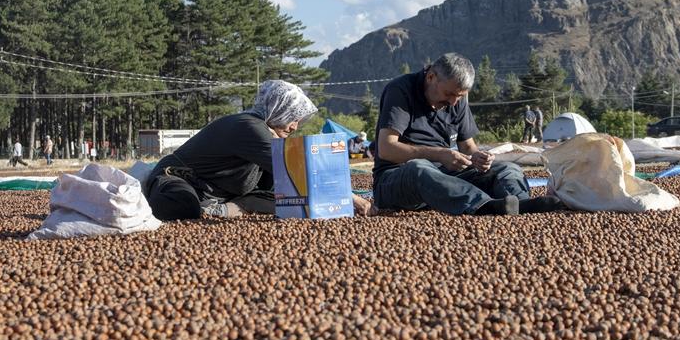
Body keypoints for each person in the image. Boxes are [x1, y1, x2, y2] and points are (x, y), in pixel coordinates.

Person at [144, 80, 373, 221]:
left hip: (219, 193)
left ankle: (224, 209)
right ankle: (215, 209)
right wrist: (352, 199)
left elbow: (297, 175)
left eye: (297, 122)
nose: (294, 127)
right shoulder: (249, 127)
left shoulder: (266, 130)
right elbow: (299, 171)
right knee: (181, 206)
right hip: (177, 180)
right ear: (278, 109)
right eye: (291, 119)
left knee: (289, 202)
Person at [371, 53, 565, 216]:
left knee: (508, 168)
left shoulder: (456, 97)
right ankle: (483, 206)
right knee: (419, 168)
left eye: (460, 96)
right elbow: (387, 149)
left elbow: (468, 147)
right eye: (449, 94)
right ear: (431, 77)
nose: (454, 102)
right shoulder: (401, 90)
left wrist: (479, 158)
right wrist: (439, 154)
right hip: (396, 179)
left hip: (446, 177)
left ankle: (521, 205)